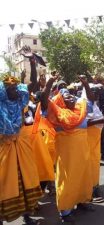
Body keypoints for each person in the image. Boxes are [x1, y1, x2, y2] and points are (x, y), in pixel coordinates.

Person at [40, 74, 101, 223]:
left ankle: (82, 202)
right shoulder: (57, 114)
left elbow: (92, 99)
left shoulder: (81, 111)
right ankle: (65, 211)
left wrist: (86, 84)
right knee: (67, 182)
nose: (72, 97)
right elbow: (43, 102)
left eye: (72, 95)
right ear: (60, 101)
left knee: (83, 178)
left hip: (83, 153)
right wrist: (49, 84)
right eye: (66, 96)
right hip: (67, 157)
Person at [0, 46, 44, 225]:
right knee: (4, 182)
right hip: (4, 148)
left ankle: (27, 215)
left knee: (27, 178)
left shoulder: (20, 100)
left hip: (21, 146)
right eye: (9, 87)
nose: (14, 89)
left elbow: (32, 83)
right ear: (3, 90)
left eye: (15, 87)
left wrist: (32, 61)